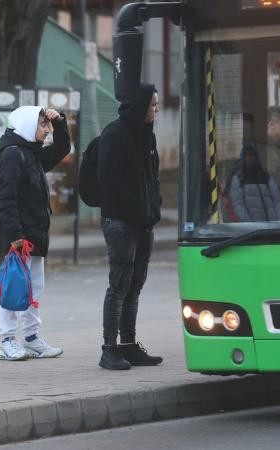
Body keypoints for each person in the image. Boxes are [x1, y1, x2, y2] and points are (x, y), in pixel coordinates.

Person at [97, 82, 164, 370]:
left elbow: (153, 177)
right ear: (140, 106)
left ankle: (128, 344)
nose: (157, 109)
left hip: (143, 223)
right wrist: (139, 210)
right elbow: (109, 183)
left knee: (135, 286)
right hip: (121, 223)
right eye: (153, 104)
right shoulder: (115, 134)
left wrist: (154, 207)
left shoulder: (147, 136)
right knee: (119, 285)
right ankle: (109, 348)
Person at [0, 106, 67, 362]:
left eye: (47, 126)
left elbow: (62, 149)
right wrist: (15, 236)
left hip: (35, 235)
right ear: (27, 125)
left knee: (34, 288)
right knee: (14, 287)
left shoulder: (31, 154)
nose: (46, 130)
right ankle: (7, 340)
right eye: (42, 125)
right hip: (21, 238)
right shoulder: (14, 155)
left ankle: (31, 337)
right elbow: (5, 198)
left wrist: (60, 121)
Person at [226, 141, 280, 222]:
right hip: (252, 231)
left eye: (252, 155)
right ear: (243, 157)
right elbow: (238, 206)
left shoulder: (266, 178)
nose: (250, 157)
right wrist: (251, 226)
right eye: (247, 155)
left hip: (272, 227)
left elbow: (278, 202)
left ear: (256, 157)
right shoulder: (237, 179)